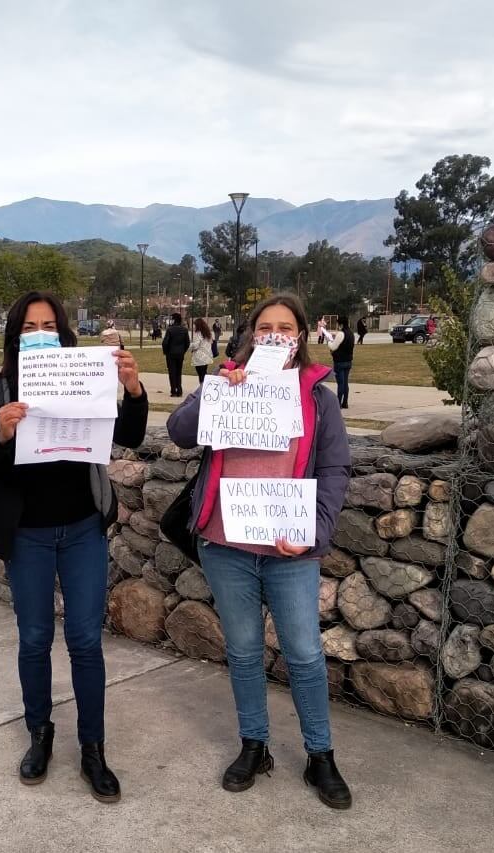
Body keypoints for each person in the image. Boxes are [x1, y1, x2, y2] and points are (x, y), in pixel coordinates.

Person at [165, 293, 352, 809]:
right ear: (251, 334)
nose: (273, 335)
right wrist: (214, 391)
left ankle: (320, 755)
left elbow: (335, 469)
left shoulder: (318, 396)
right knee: (244, 652)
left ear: (302, 335)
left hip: (290, 548)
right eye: (264, 327)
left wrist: (316, 530)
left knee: (306, 654)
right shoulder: (226, 382)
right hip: (226, 546)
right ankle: (255, 745)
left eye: (284, 327)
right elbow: (179, 433)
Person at [0, 291, 147, 803]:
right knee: (35, 638)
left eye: (49, 325)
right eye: (29, 326)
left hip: (82, 528)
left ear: (65, 334)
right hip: (29, 537)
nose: (39, 333)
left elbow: (128, 436)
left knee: (86, 641)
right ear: (15, 334)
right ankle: (40, 733)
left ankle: (93, 748)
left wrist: (132, 387)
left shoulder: (87, 380)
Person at [161, 312, 190, 397]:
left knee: (172, 372)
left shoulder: (170, 330)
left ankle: (173, 390)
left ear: (174, 320)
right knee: (178, 372)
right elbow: (187, 343)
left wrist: (165, 352)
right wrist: (183, 351)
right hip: (180, 354)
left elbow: (165, 343)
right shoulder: (184, 330)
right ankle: (179, 390)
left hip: (171, 353)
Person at [329, 318, 354, 410]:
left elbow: (333, 347)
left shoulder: (341, 334)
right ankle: (345, 402)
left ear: (341, 324)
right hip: (348, 361)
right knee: (345, 383)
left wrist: (329, 341)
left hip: (340, 361)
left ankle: (338, 402)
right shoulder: (351, 334)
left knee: (340, 383)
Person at [189, 317, 214, 385]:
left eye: (194, 325)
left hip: (199, 357)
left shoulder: (198, 334)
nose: (193, 326)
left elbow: (196, 345)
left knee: (201, 374)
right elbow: (211, 342)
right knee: (204, 373)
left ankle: (202, 388)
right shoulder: (208, 333)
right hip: (207, 356)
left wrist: (189, 346)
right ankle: (205, 387)